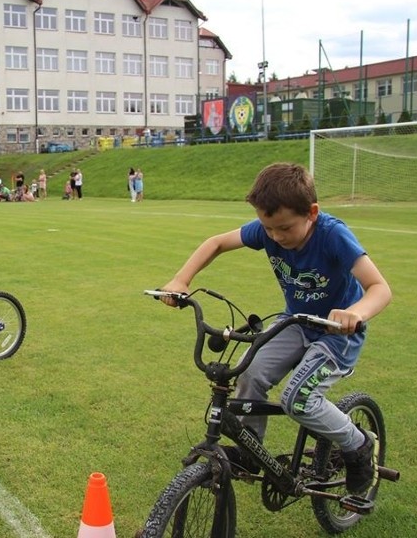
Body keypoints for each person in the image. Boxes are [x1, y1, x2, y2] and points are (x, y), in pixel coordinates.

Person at [160, 163, 392, 495]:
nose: (275, 237)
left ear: (312, 212)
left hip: (335, 334)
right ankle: (251, 448)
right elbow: (216, 243)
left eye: (284, 228)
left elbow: (380, 287)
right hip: (295, 322)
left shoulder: (332, 234)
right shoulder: (268, 229)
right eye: (268, 229)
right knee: (248, 371)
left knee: (299, 399)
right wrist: (181, 280)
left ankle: (358, 445)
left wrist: (355, 312)